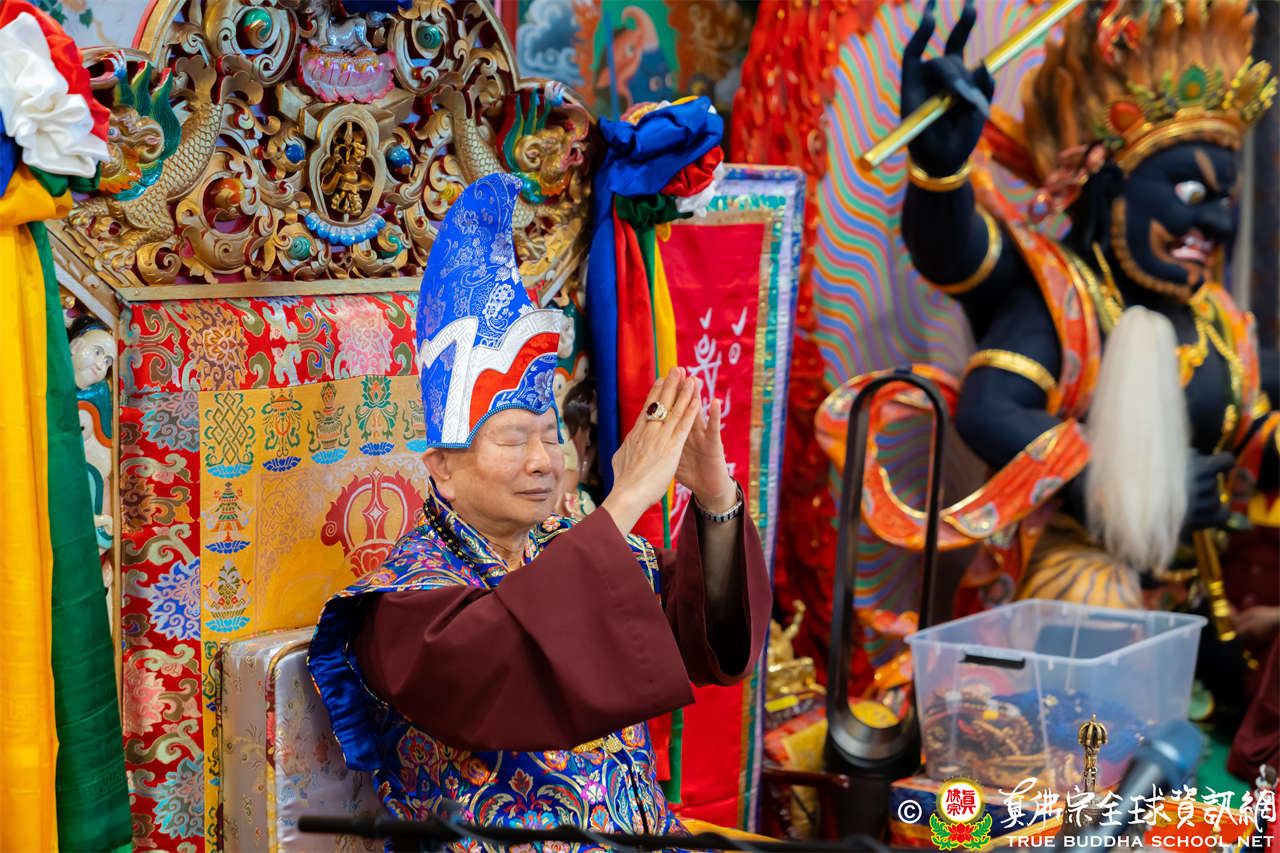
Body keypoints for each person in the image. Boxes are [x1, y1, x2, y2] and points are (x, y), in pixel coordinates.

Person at [308, 173, 771, 848]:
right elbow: (506, 656)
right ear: (442, 468)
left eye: (552, 436)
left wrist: (715, 494)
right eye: (512, 439)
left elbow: (706, 640)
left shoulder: (576, 544)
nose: (543, 461)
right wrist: (626, 498)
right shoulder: (408, 601)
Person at [821, 0, 1277, 615]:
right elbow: (988, 404)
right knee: (1092, 593)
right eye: (1192, 192)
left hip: (1201, 595)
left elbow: (1249, 431)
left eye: (1227, 199)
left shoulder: (1217, 318)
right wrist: (939, 169)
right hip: (1080, 597)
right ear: (1111, 190)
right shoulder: (1064, 298)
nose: (1217, 222)